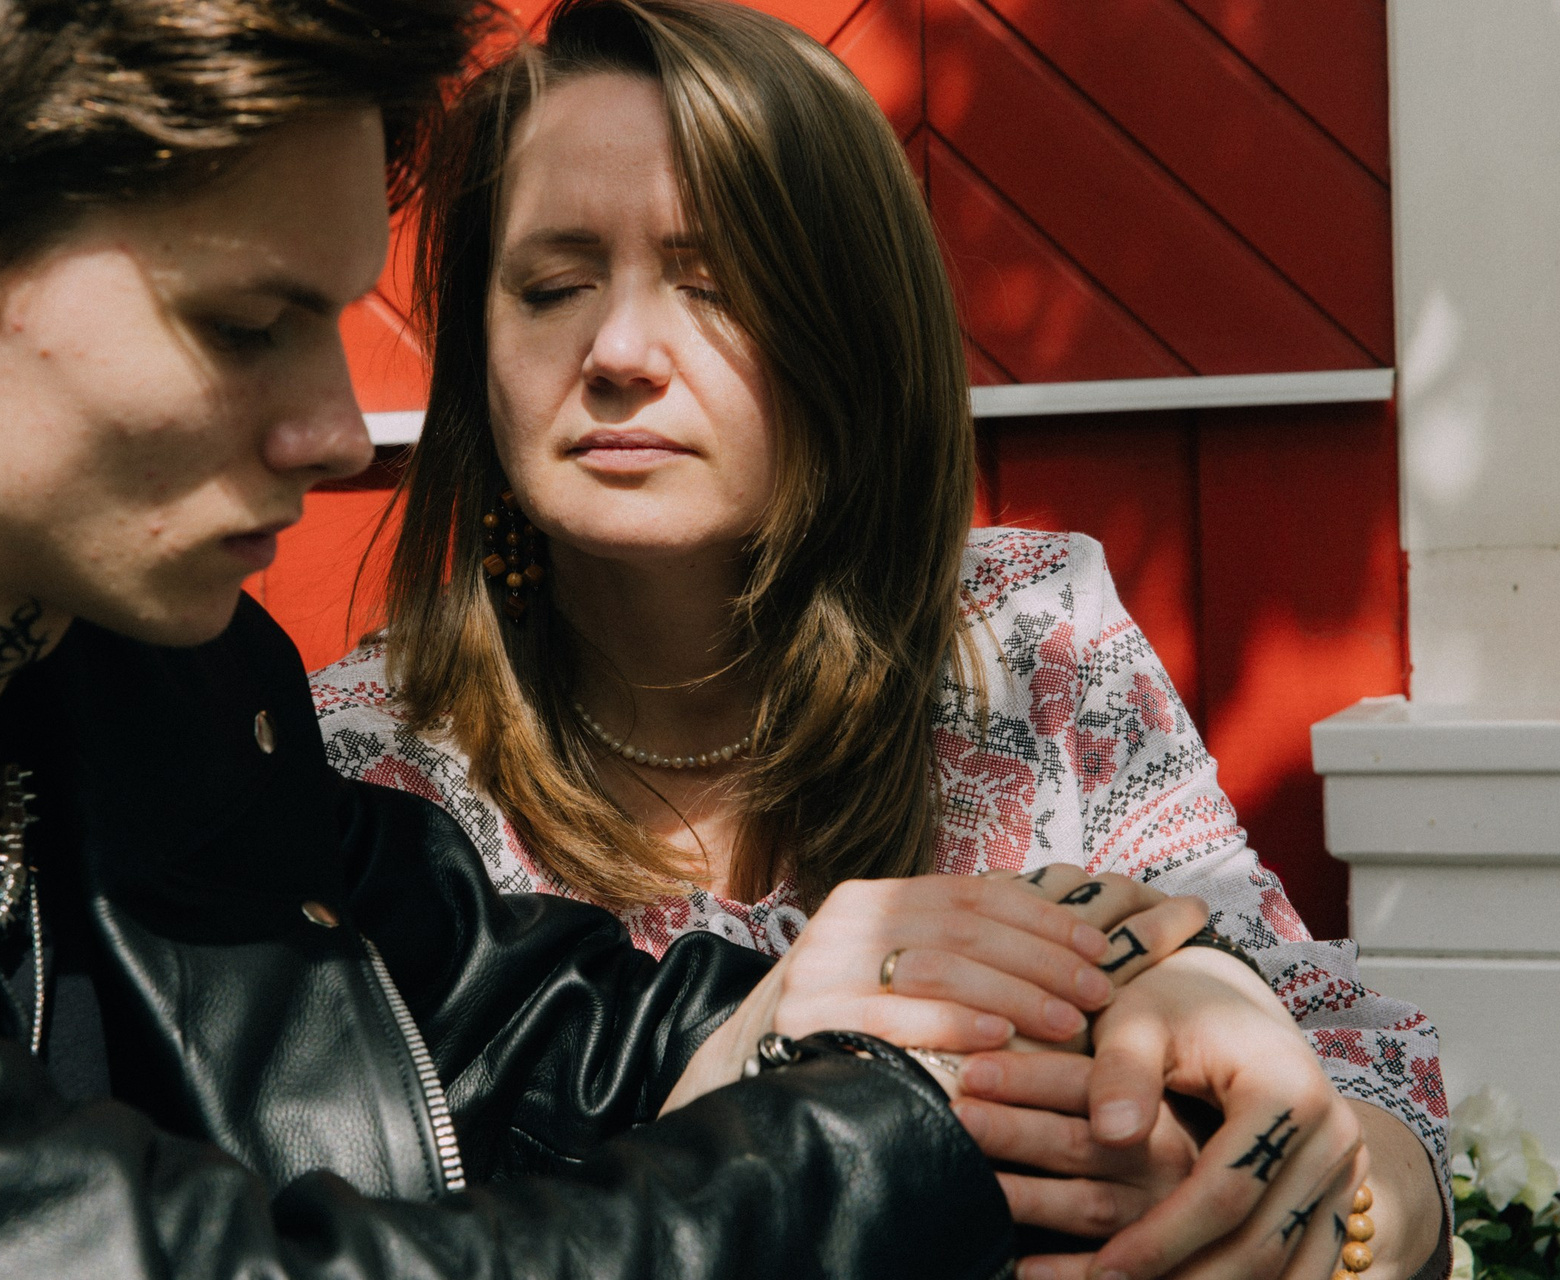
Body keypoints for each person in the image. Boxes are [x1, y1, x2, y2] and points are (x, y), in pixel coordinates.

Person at [0, 0, 1212, 1274]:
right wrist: (895, 1135)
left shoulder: (170, 698)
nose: (339, 432)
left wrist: (1100, 1033)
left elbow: (518, 1017)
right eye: (245, 324)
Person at [311, 1, 1452, 1276]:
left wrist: (1323, 1194)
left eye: (712, 283)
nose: (619, 350)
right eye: (553, 286)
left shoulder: (1028, 640)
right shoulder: (365, 761)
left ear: (848, 327)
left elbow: (1357, 1064)